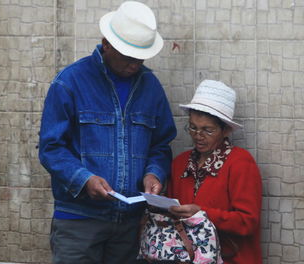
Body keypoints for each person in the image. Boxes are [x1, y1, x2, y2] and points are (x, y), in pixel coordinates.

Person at [38, 1, 177, 263]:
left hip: (129, 224)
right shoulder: (70, 82)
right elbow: (51, 148)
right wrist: (84, 179)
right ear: (106, 44)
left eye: (140, 57)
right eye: (128, 56)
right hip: (78, 221)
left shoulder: (151, 87)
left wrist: (153, 173)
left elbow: (161, 144)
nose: (135, 64)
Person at [167, 80, 262, 264]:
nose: (198, 136)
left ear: (225, 130)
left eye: (207, 130)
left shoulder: (241, 163)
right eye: (192, 127)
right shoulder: (180, 163)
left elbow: (247, 221)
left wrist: (202, 213)